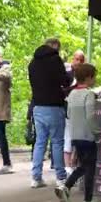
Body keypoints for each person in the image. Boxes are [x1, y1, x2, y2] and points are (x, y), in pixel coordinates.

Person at [54, 63, 101, 202]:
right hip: (88, 136)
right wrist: (97, 131)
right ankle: (87, 201)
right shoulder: (88, 94)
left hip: (75, 136)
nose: (95, 79)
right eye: (94, 76)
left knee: (84, 166)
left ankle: (67, 188)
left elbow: (68, 114)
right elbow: (90, 116)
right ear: (88, 77)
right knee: (90, 168)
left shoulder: (71, 94)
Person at [28, 38, 70, 188]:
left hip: (38, 107)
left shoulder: (32, 63)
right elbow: (65, 81)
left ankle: (36, 178)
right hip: (54, 106)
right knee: (57, 142)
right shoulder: (55, 60)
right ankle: (61, 177)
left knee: (40, 143)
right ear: (54, 46)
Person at [64, 50, 85, 176]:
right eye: (76, 59)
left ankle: (74, 164)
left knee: (78, 137)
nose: (77, 62)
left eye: (80, 60)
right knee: (68, 137)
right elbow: (63, 90)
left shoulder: (84, 75)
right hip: (68, 109)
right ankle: (67, 167)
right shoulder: (67, 73)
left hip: (80, 109)